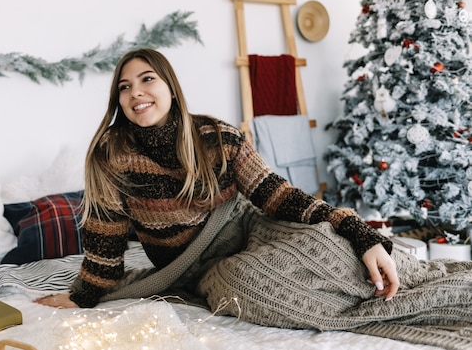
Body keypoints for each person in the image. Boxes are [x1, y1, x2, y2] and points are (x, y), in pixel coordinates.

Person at [35, 47, 399, 312]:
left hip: (248, 228)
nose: (136, 93)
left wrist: (357, 231)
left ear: (171, 88)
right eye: (124, 87)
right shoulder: (110, 156)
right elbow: (105, 239)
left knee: (328, 244)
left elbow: (278, 195)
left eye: (147, 79)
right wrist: (84, 295)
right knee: (247, 289)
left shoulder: (216, 136)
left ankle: (396, 273)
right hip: (201, 268)